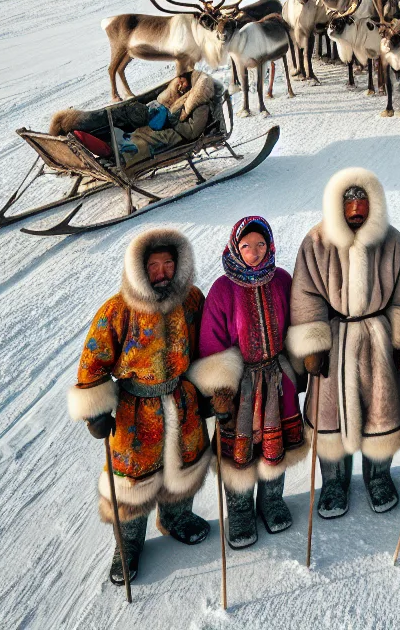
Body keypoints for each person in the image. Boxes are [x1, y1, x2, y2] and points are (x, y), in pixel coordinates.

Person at [67, 228, 214, 586]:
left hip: (181, 398)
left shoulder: (192, 300)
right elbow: (94, 361)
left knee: (184, 464)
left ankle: (176, 517)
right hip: (136, 408)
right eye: (153, 266)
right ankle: (128, 542)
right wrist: (95, 409)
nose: (162, 272)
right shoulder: (118, 310)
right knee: (133, 480)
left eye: (168, 264)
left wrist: (211, 388)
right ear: (139, 269)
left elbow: (206, 344)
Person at [288, 168, 400, 518]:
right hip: (334, 341)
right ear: (337, 205)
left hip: (377, 339)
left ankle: (379, 476)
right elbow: (305, 293)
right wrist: (313, 345)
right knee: (330, 414)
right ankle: (334, 481)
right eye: (349, 202)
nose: (356, 209)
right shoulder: (316, 242)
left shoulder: (392, 242)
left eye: (362, 201)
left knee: (381, 409)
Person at [196, 216, 309, 549]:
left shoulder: (282, 280)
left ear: (270, 245)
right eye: (246, 246)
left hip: (277, 378)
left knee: (277, 447)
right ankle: (240, 510)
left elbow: (296, 323)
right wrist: (219, 391)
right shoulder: (222, 290)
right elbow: (212, 343)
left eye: (261, 244)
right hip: (240, 386)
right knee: (239, 453)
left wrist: (301, 364)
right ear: (235, 248)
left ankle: (271, 500)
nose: (255, 252)